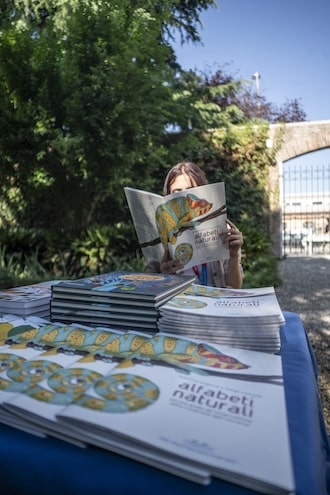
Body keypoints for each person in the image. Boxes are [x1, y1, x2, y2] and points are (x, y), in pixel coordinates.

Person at [145, 161, 244, 289]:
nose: (185, 196)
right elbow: (149, 288)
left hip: (214, 306)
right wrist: (165, 276)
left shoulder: (222, 229)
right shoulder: (160, 234)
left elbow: (235, 288)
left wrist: (234, 256)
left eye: (191, 191)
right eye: (177, 192)